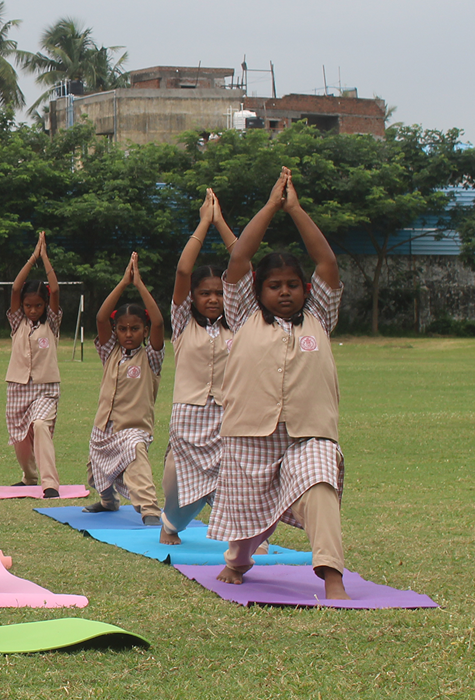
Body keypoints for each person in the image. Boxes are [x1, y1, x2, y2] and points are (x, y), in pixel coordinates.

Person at [212, 168, 350, 600]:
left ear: (306, 289)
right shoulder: (243, 313)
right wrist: (271, 206)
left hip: (310, 432)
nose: (285, 292)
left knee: (320, 485)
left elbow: (327, 262)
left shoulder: (320, 316)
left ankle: (332, 577)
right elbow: (238, 260)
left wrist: (296, 209)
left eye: (293, 285)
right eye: (274, 286)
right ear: (258, 289)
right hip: (251, 432)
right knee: (249, 519)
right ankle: (238, 560)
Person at [159, 189, 241, 544]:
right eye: (205, 293)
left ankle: (245, 534)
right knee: (178, 477)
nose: (212, 299)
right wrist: (202, 223)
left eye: (219, 292)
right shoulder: (182, 323)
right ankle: (171, 523)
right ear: (193, 296)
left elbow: (244, 265)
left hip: (230, 412)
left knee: (235, 475)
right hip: (188, 413)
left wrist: (221, 223)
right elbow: (182, 269)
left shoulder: (239, 323)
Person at [85, 254, 165, 526]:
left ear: (144, 331)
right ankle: (108, 502)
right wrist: (123, 282)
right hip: (104, 426)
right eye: (122, 329)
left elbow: (159, 323)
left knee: (135, 461)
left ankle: (150, 509)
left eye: (135, 329)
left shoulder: (151, 356)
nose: (128, 334)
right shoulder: (110, 352)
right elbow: (100, 317)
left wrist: (139, 284)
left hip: (133, 429)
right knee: (96, 469)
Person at [4, 231, 64, 498]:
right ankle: (29, 477)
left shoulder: (51, 323)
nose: (32, 310)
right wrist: (32, 257)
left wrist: (45, 258)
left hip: (45, 387)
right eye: (28, 306)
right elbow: (16, 288)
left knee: (40, 426)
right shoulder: (18, 323)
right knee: (20, 439)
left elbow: (56, 290)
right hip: (17, 386)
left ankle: (49, 482)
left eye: (38, 306)